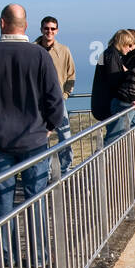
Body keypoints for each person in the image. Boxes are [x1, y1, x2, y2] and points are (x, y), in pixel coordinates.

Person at [0, 4, 65, 265]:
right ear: (26, 25)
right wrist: (49, 126)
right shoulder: (39, 56)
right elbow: (55, 99)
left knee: (3, 198)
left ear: (2, 23)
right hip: (34, 139)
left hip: (1, 139)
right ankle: (38, 256)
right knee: (35, 197)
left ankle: (8, 256)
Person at [34, 15, 76, 174]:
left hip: (58, 101)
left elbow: (71, 75)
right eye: (46, 28)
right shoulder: (33, 49)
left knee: (65, 136)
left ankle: (64, 169)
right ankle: (44, 171)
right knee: (40, 138)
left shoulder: (64, 51)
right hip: (38, 103)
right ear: (41, 29)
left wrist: (64, 95)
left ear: (57, 30)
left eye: (52, 29)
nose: (49, 31)